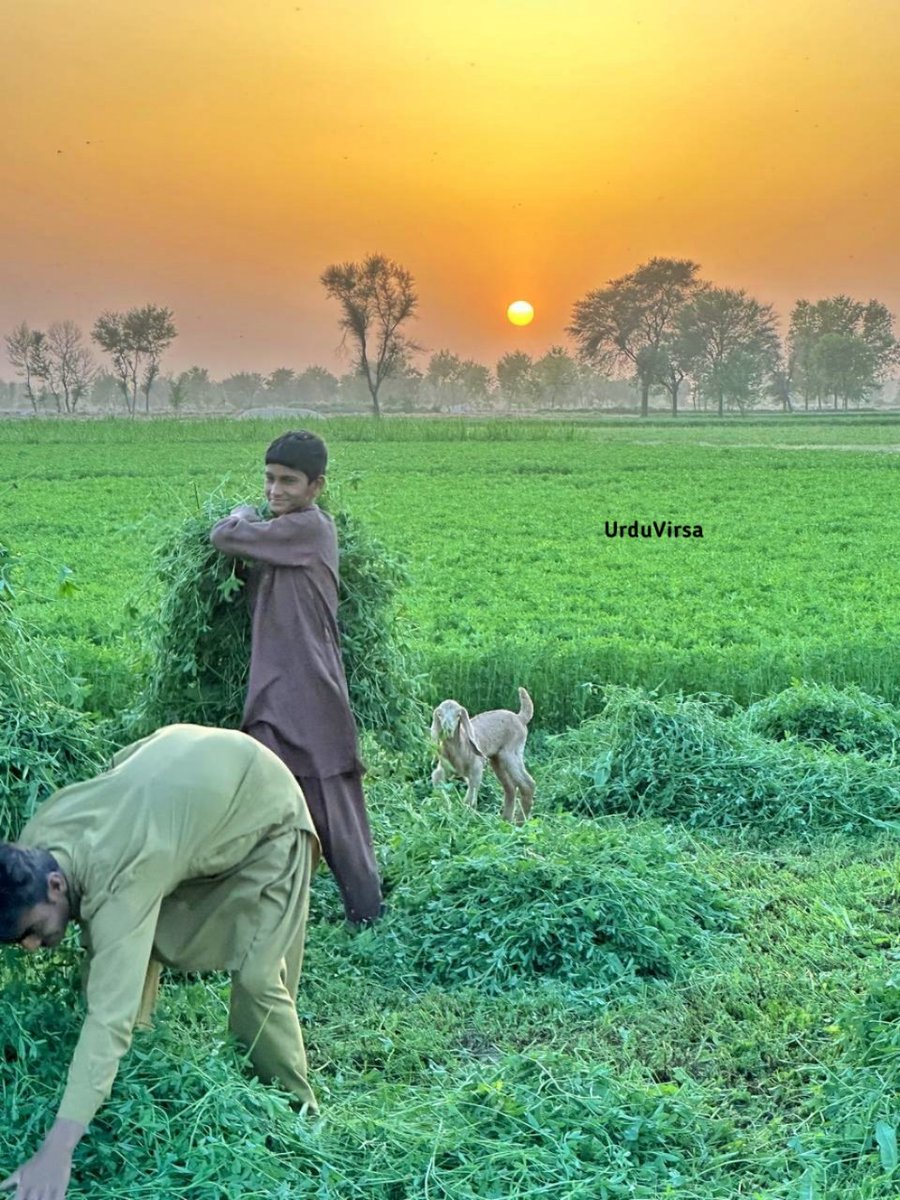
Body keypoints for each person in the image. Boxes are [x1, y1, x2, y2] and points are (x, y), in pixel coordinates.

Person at [0, 724, 319, 1200]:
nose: (29, 947)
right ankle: (136, 1063)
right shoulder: (37, 841)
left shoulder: (123, 876)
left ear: (54, 886)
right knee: (116, 945)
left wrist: (57, 1149)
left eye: (30, 932)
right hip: (181, 787)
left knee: (256, 978)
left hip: (265, 812)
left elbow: (108, 1018)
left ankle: (298, 1116)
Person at [210, 430, 382, 926]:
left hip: (311, 692)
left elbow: (226, 535)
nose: (274, 490)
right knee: (264, 805)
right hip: (274, 691)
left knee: (336, 814)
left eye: (288, 481)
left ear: (316, 486)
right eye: (268, 480)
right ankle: (259, 913)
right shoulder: (284, 535)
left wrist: (243, 513)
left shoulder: (309, 528)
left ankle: (367, 914)